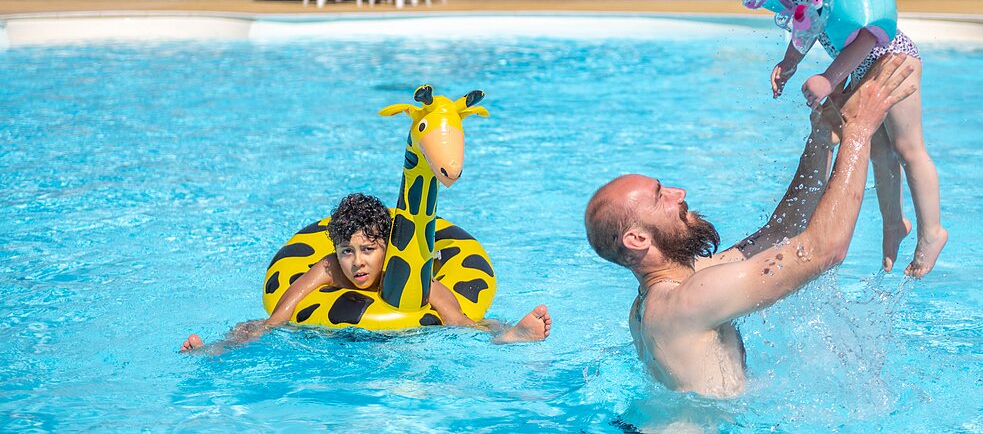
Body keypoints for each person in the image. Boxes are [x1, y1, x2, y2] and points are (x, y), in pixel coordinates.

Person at [584, 55, 919, 398]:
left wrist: (820, 136)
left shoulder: (669, 290)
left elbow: (780, 231)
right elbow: (824, 250)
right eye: (661, 197)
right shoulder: (686, 301)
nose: (679, 194)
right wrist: (859, 132)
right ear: (637, 239)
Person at [742, 0, 947, 277]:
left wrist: (829, 77)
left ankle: (933, 230)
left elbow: (871, 35)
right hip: (860, 68)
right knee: (878, 150)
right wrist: (790, 61)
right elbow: (809, 21)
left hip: (893, 62)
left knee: (908, 150)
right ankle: (894, 222)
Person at [180, 193, 551, 353]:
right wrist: (258, 330)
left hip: (408, 336)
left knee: (468, 323)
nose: (357, 262)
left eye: (368, 250)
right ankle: (213, 350)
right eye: (347, 251)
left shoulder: (405, 274)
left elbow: (459, 321)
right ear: (336, 251)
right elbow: (281, 314)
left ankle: (512, 335)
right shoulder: (328, 268)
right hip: (337, 335)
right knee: (253, 325)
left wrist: (477, 328)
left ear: (386, 249)